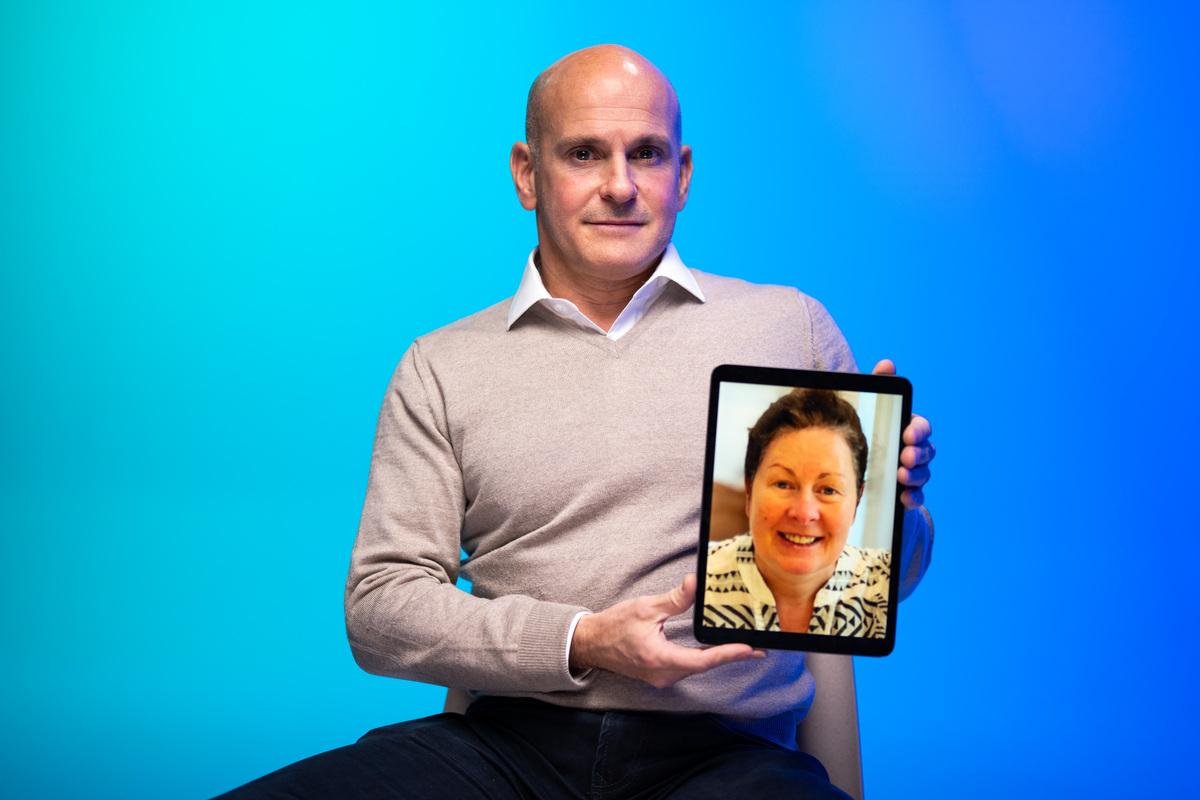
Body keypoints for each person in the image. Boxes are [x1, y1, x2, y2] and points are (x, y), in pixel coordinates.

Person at [216, 44, 936, 799]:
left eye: (647, 154)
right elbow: (381, 608)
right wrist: (582, 640)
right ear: (528, 174)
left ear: (683, 175)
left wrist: (890, 513)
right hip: (503, 747)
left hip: (722, 756)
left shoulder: (790, 328)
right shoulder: (443, 365)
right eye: (585, 154)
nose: (620, 186)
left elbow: (877, 582)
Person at [704, 389, 890, 638]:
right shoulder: (697, 577)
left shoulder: (881, 584)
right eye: (783, 484)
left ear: (856, 501)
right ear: (749, 491)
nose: (804, 514)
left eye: (828, 489)